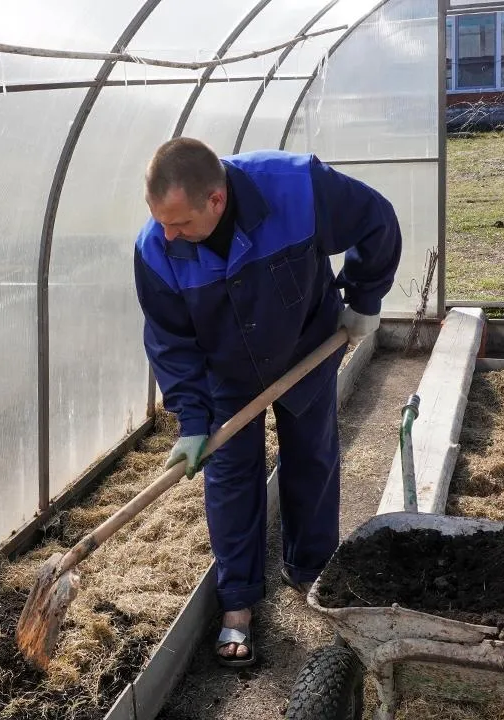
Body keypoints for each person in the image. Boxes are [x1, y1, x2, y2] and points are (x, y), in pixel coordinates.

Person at [132, 138, 402, 667]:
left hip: (305, 343)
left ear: (216, 199)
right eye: (160, 221)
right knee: (232, 479)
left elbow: (377, 219)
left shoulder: (298, 187)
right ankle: (238, 604)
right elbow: (169, 340)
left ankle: (312, 571)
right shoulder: (155, 249)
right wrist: (192, 419)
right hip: (225, 373)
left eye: (180, 222)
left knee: (312, 457)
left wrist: (363, 299)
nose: (169, 234)